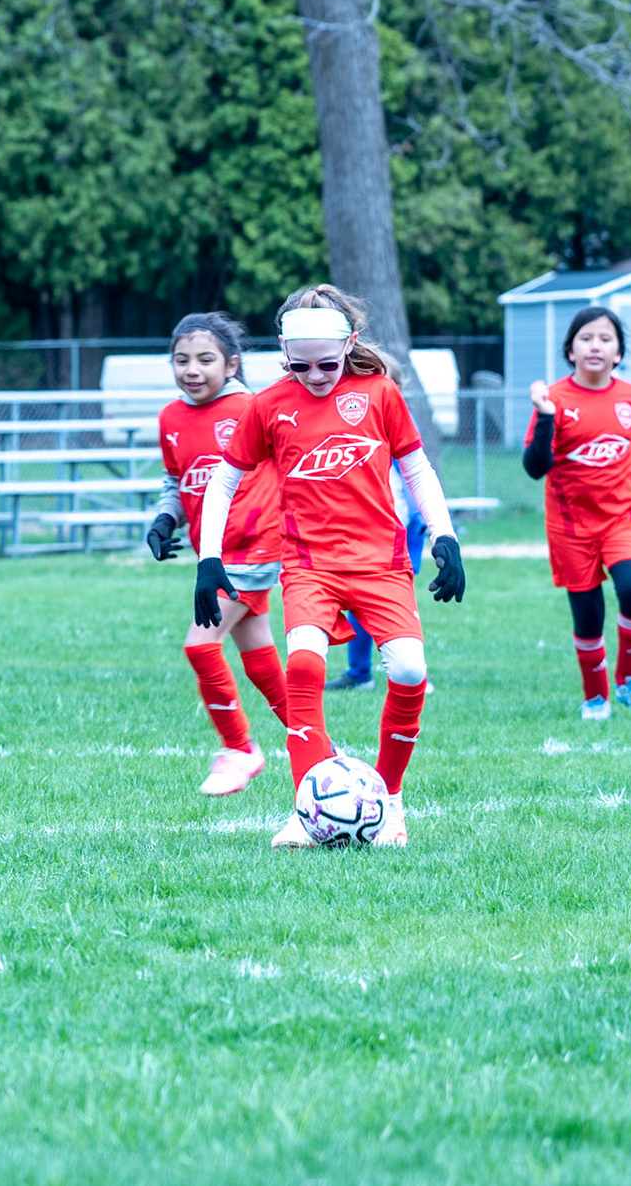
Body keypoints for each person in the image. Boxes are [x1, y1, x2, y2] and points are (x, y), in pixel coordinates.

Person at [192, 284, 466, 848]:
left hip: (381, 563)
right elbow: (222, 483)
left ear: (351, 345)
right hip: (308, 565)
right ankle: (305, 811)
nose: (315, 375)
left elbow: (417, 470)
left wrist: (444, 536)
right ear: (282, 354)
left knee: (411, 670)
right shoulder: (269, 406)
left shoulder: (379, 393)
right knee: (306, 670)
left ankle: (388, 803)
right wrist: (209, 559)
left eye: (327, 364)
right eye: (301, 365)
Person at [522, 305, 631, 720]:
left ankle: (630, 681)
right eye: (586, 338)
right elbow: (534, 468)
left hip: (622, 518)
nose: (595, 345)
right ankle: (595, 695)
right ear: (570, 350)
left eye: (605, 338)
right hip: (570, 527)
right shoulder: (555, 400)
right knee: (588, 613)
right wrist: (546, 417)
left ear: (618, 353)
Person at [145, 312, 288, 796]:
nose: (192, 369)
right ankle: (316, 742)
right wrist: (166, 519)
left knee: (200, 645)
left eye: (205, 359)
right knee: (258, 657)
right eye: (181, 359)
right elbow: (175, 480)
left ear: (231, 365)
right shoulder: (170, 417)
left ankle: (240, 749)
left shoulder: (253, 408)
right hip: (214, 558)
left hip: (254, 548)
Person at [327, 468, 431, 693]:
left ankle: (417, 676)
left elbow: (408, 473)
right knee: (362, 596)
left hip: (398, 524)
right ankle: (359, 673)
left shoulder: (393, 432)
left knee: (397, 599)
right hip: (382, 523)